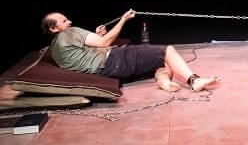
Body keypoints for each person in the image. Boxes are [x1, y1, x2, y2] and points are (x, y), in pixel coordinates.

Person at [41, 9, 221, 93]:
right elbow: (105, 42)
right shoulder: (70, 33)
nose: (69, 22)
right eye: (64, 21)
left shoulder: (54, 49)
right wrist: (124, 19)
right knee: (168, 51)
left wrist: (97, 36)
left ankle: (164, 82)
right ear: (53, 28)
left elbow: (83, 53)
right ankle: (194, 81)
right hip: (114, 60)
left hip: (108, 71)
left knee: (162, 62)